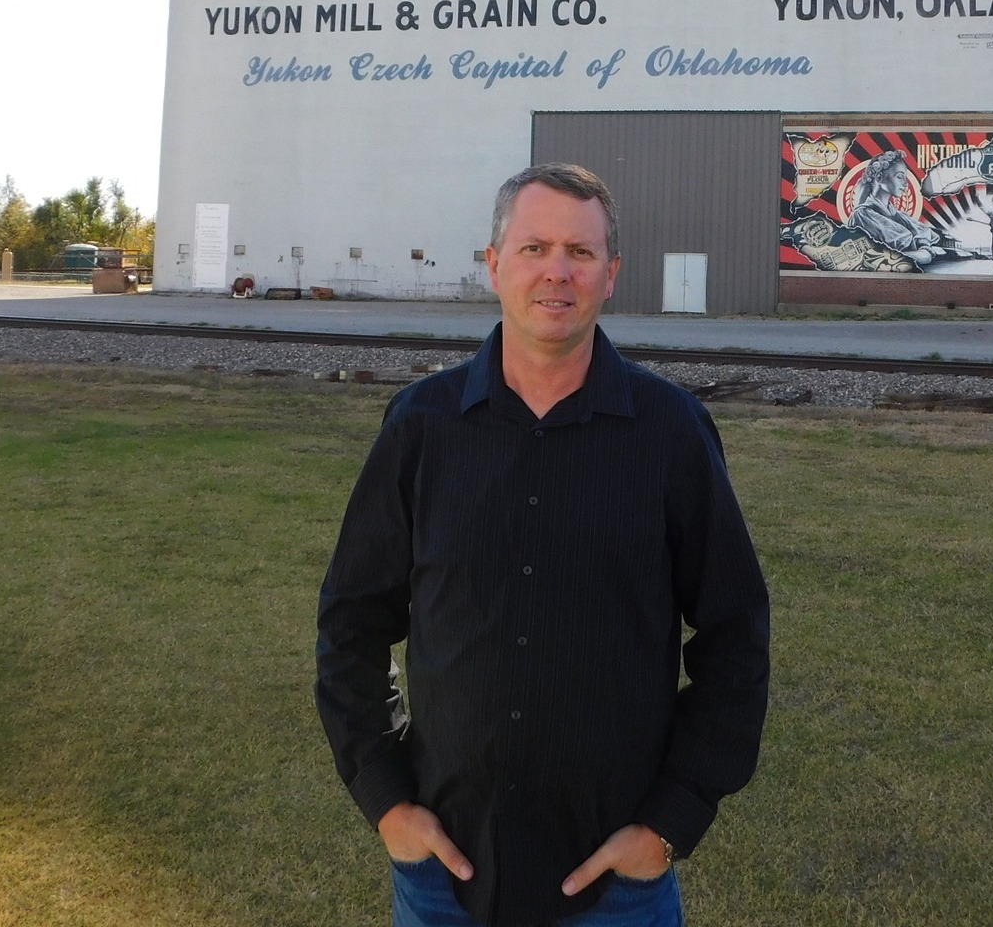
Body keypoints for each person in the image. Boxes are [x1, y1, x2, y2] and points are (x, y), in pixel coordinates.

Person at [316, 163, 771, 927]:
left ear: (611, 274)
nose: (557, 271)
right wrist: (386, 799)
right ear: (494, 265)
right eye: (534, 248)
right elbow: (351, 623)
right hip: (443, 884)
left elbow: (735, 634)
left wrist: (672, 820)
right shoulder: (422, 428)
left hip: (617, 889)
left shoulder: (671, 433)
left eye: (580, 252)